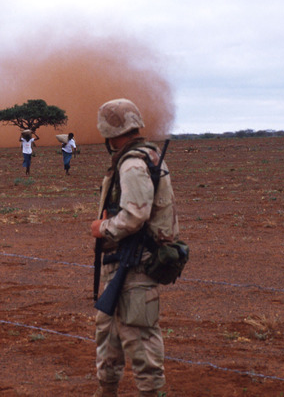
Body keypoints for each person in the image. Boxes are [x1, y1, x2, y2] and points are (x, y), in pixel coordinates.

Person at [89, 99, 178, 396]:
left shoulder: (132, 163)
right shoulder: (149, 157)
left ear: (109, 132)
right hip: (123, 266)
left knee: (142, 348)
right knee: (108, 338)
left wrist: (101, 228)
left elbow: (135, 215)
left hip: (136, 266)